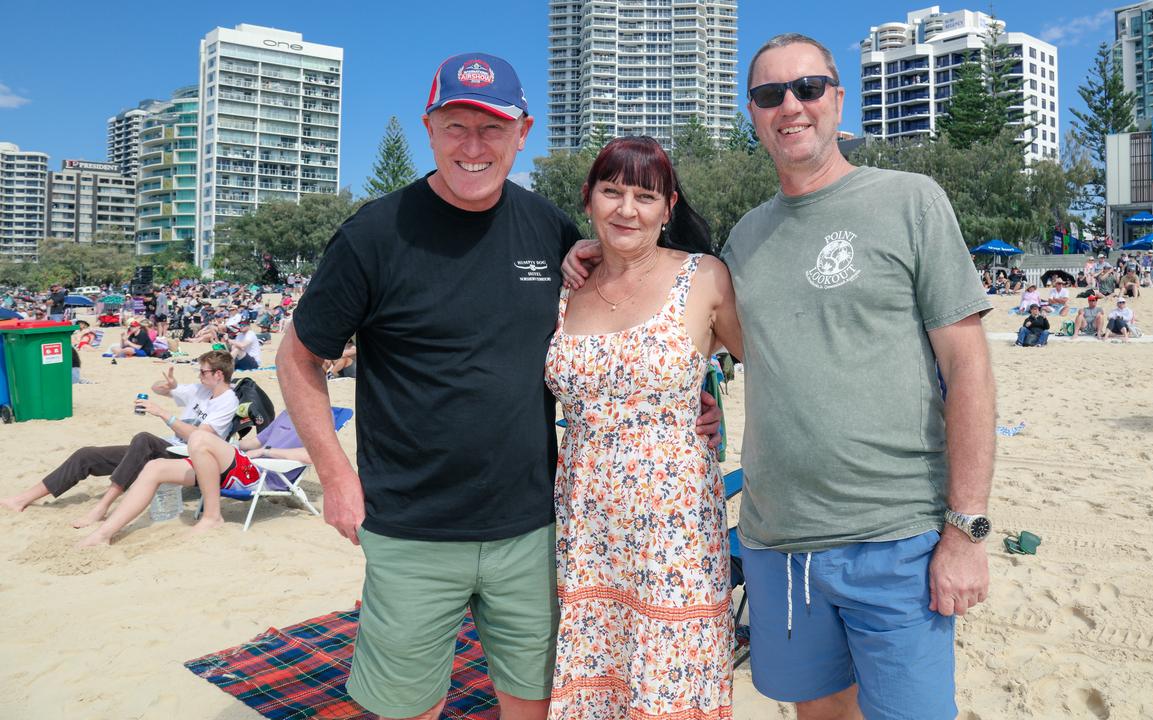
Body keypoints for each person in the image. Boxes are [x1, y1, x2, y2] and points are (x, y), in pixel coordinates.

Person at [275, 52, 723, 720]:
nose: (473, 146)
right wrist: (336, 477)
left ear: (523, 131)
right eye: (456, 126)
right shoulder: (373, 234)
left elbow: (613, 321)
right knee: (402, 708)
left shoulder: (549, 231)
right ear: (429, 128)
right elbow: (298, 360)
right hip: (412, 528)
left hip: (536, 526)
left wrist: (686, 396)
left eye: (492, 129)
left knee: (541, 703)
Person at [567, 33, 994, 720]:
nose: (791, 106)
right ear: (754, 113)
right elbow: (693, 337)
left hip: (896, 536)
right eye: (770, 95)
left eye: (808, 88)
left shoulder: (910, 200)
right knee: (816, 714)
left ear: (838, 98)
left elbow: (968, 367)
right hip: (777, 542)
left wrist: (966, 531)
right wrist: (604, 252)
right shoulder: (745, 241)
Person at [544, 136, 742, 719]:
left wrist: (711, 411)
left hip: (673, 528)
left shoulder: (704, 277)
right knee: (598, 675)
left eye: (644, 195)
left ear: (668, 206)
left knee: (670, 677)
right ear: (588, 199)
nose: (627, 209)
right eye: (612, 192)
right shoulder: (565, 287)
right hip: (586, 520)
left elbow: (764, 363)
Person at [0, 352, 238, 526]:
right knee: (87, 455)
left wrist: (164, 414)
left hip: (189, 458)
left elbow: (200, 439)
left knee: (144, 439)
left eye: (203, 371)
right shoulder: (200, 390)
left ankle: (102, 507)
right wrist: (169, 386)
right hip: (167, 449)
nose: (199, 374)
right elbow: (159, 389)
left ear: (218, 374)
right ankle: (22, 499)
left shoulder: (227, 401)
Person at [76, 417, 309, 547]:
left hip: (261, 475)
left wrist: (268, 452)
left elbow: (311, 456)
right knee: (154, 467)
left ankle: (212, 516)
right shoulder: (288, 413)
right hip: (243, 464)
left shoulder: (317, 416)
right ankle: (104, 534)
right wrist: (228, 443)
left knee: (198, 437)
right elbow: (253, 444)